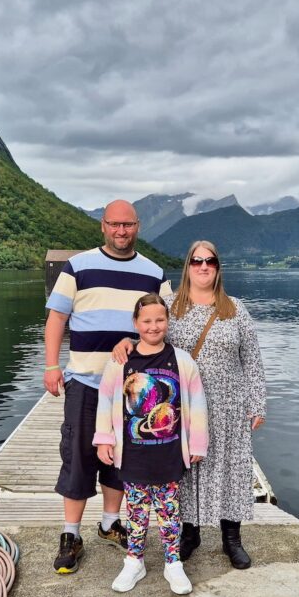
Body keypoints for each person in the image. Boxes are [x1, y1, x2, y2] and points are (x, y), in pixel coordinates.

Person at [113, 240, 265, 569]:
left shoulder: (235, 309)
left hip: (230, 406)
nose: (203, 266)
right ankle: (189, 534)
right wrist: (125, 341)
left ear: (218, 267)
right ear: (188, 266)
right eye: (197, 261)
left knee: (232, 470)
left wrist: (257, 404)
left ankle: (231, 538)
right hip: (183, 406)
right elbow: (147, 333)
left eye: (210, 260)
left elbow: (252, 361)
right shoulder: (170, 306)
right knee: (186, 471)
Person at [44, 200, 172, 574]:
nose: (121, 231)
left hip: (131, 387)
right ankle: (71, 534)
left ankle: (108, 523)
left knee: (121, 458)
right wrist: (52, 366)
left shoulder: (152, 273)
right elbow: (57, 318)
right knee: (79, 456)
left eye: (128, 225)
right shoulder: (78, 267)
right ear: (103, 226)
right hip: (84, 380)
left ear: (138, 226)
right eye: (114, 224)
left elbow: (161, 323)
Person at [94, 293, 208, 594]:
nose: (153, 326)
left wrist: (197, 443)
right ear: (136, 323)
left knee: (170, 511)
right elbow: (105, 400)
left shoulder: (182, 361)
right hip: (132, 454)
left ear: (167, 322)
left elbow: (196, 402)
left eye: (160, 320)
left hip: (169, 453)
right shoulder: (121, 361)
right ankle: (135, 560)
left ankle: (173, 563)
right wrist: (104, 439)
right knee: (136, 511)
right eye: (146, 321)